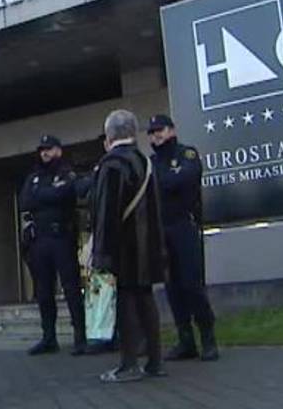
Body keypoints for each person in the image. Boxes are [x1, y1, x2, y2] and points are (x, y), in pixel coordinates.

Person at [91, 109, 168, 383]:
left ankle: (129, 364)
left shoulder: (111, 164)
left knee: (125, 304)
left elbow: (106, 213)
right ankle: (155, 361)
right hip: (147, 247)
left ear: (109, 135)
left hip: (122, 248)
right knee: (146, 299)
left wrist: (101, 254)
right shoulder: (146, 162)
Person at [147, 114, 219, 362]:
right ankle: (185, 340)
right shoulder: (151, 162)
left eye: (160, 130)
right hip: (162, 229)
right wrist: (165, 182)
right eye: (152, 132)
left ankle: (208, 338)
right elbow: (154, 188)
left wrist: (162, 182)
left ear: (172, 130)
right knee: (172, 287)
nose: (156, 135)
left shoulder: (187, 153)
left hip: (184, 226)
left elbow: (185, 178)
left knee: (192, 284)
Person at [19, 134, 87, 356]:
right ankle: (49, 337)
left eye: (49, 149)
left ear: (58, 150)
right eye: (42, 150)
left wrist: (43, 195)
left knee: (71, 288)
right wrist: (51, 194)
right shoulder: (34, 177)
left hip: (62, 238)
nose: (45, 153)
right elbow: (25, 201)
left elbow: (68, 192)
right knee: (43, 291)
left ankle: (80, 337)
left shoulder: (67, 173)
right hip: (40, 240)